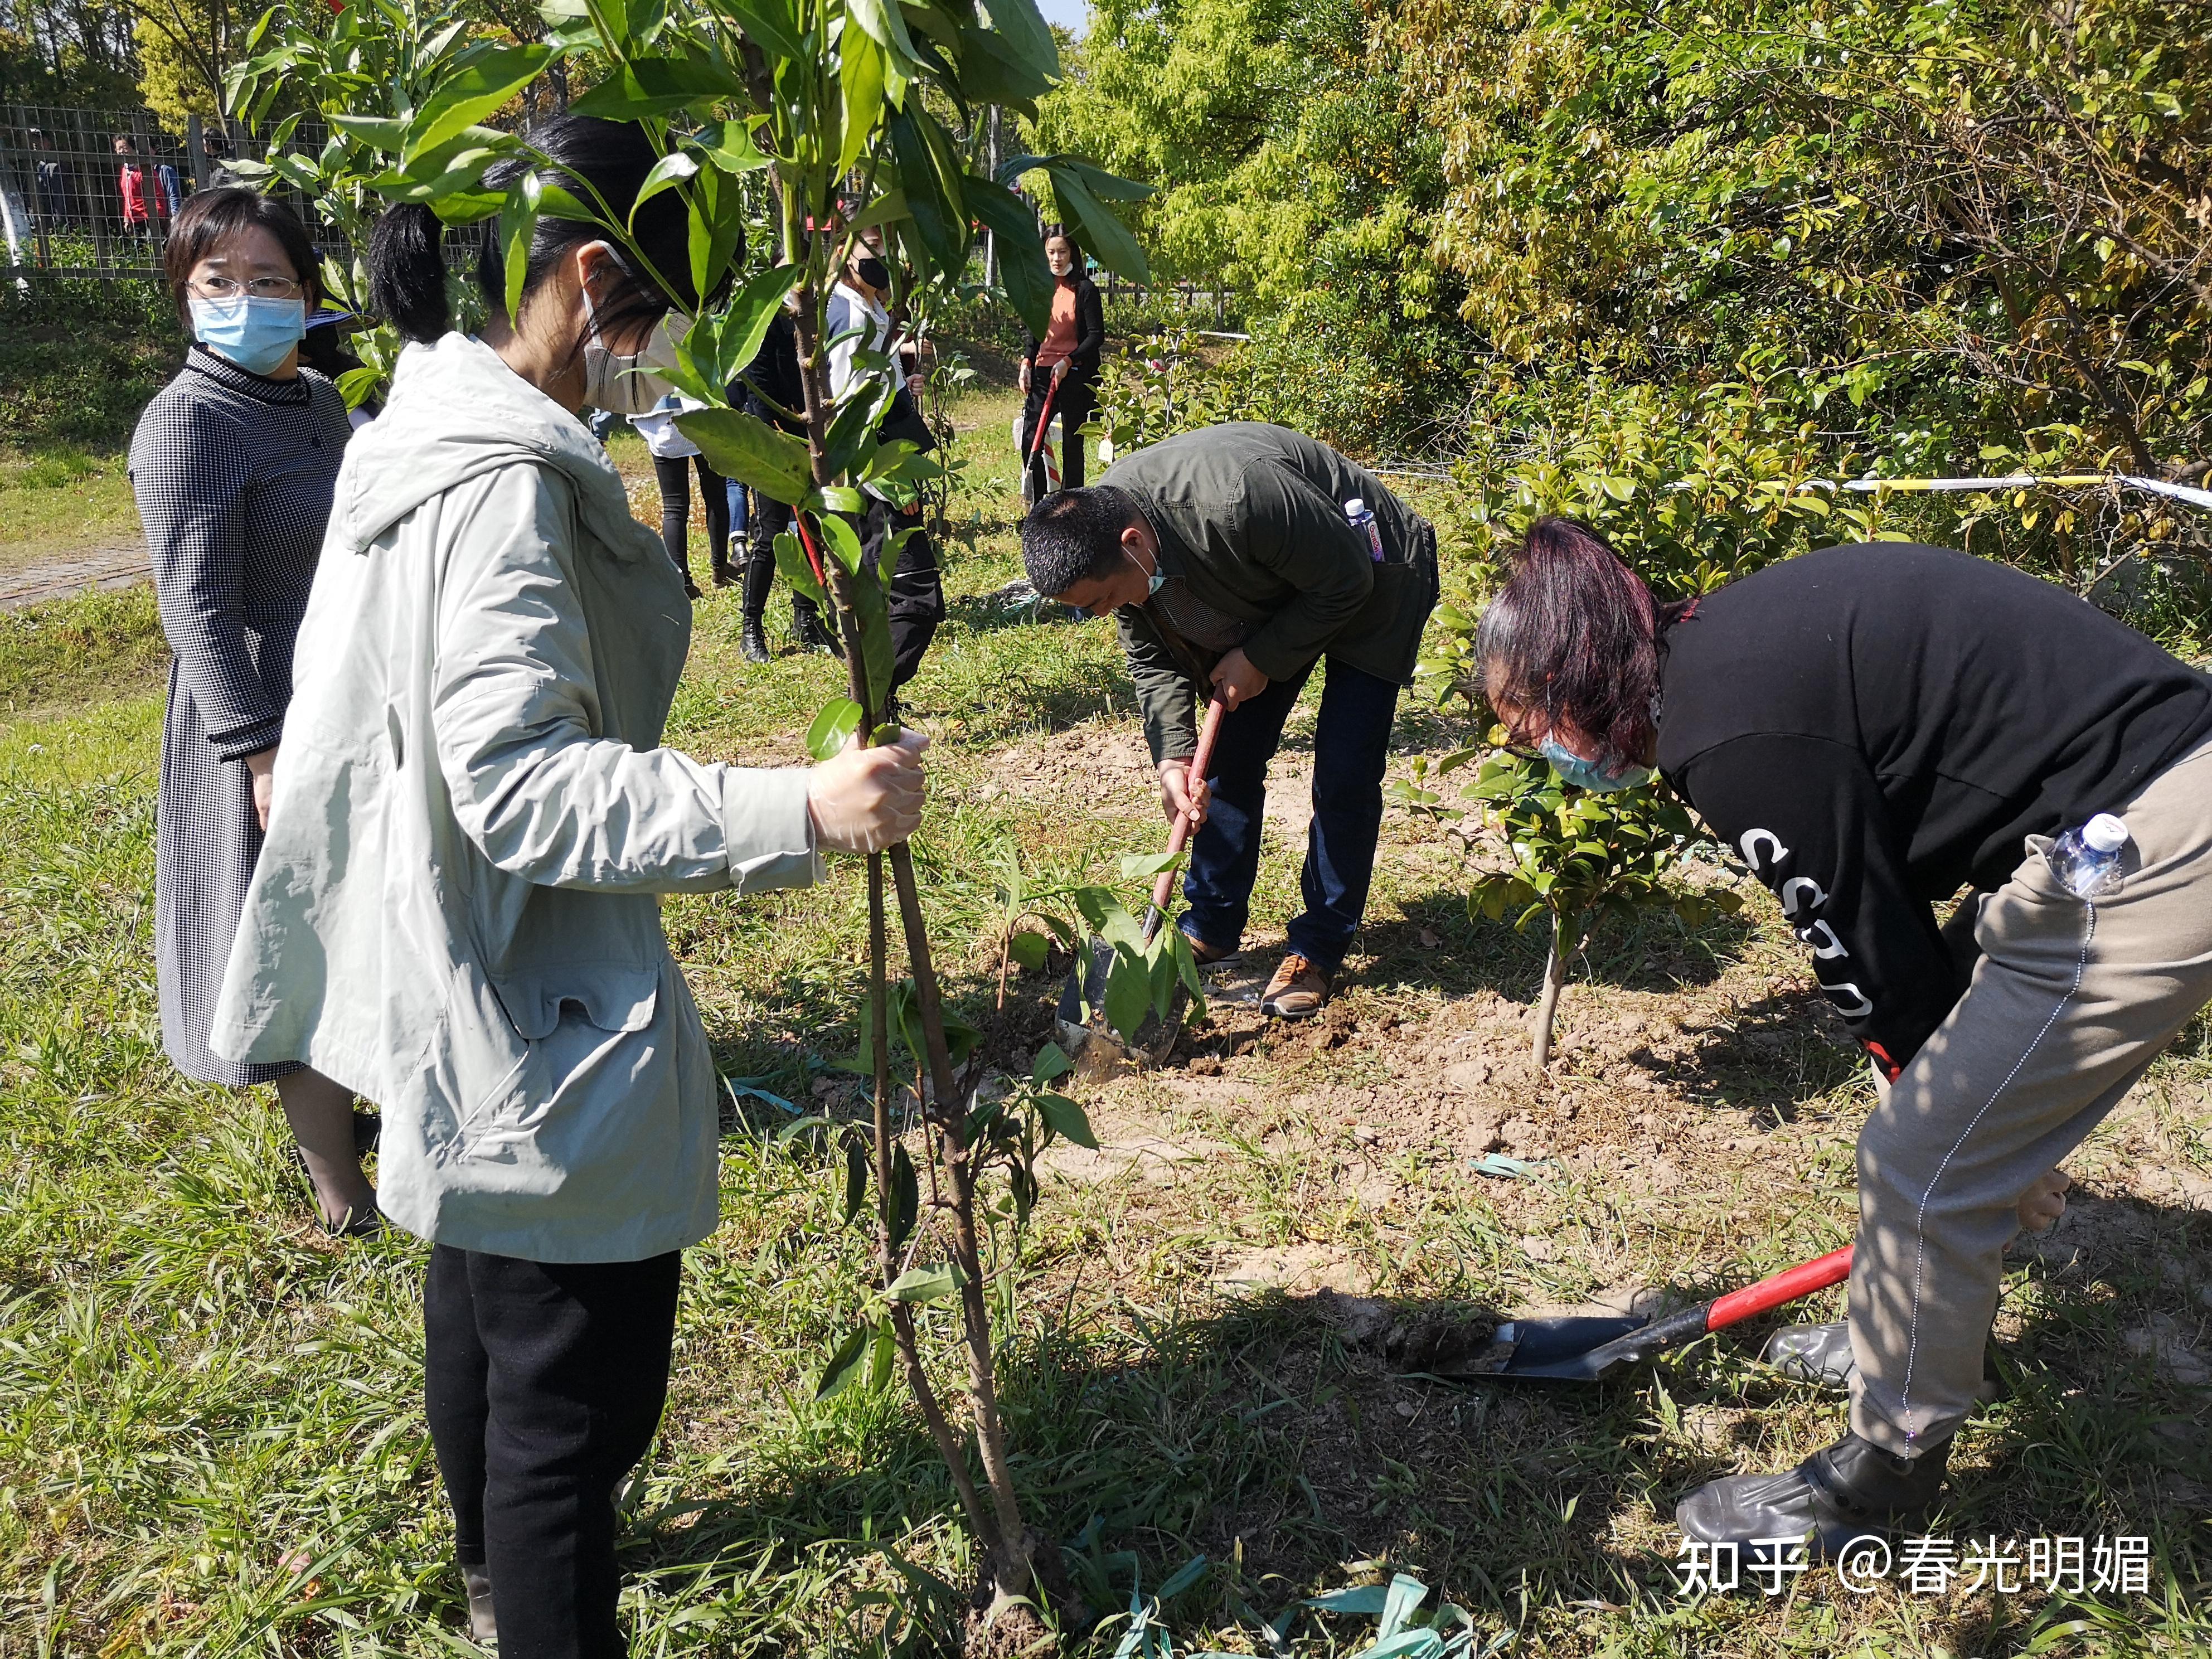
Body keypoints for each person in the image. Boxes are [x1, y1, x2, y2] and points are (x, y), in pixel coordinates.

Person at [206, 115, 929, 1656]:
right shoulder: (501, 488)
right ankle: (527, 1604)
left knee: (481, 1289)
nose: (665, 356)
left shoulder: (412, 437)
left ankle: (488, 1586)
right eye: (666, 315)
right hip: (531, 984)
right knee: (569, 1407)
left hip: (449, 960)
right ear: (595, 276)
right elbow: (522, 784)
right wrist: (797, 805)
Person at [1473, 519, 2212, 1556]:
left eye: (1523, 720)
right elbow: (1892, 923)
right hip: (2109, 810)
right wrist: (1975, 1116)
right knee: (1945, 1124)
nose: (1525, 748)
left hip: (2151, 837)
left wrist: (1975, 1140)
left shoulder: (1724, 737)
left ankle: (1885, 1471)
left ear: (1577, 672)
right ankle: (1918, 1339)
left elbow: (1863, 947)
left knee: (1920, 1162)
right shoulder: (1712, 655)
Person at [127, 186, 377, 1234]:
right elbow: (194, 604)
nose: (244, 301)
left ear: (307, 293)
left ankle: (363, 1108)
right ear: (185, 297)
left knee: (358, 920)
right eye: (217, 282)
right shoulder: (187, 420)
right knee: (293, 941)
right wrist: (258, 752)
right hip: (261, 710)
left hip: (344, 693)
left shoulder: (316, 403)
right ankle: (338, 1184)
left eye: (268, 281)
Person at [1020, 423, 1440, 1018]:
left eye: (1102, 601)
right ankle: (1210, 925)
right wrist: (1172, 758)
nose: (1105, 614)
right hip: (1273, 587)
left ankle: (1316, 948)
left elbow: (1348, 579)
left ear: (1135, 543)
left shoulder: (1236, 499)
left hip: (1372, 572)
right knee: (1224, 763)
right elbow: (1151, 654)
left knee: (1344, 771)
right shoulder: (1106, 539)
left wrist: (1263, 658)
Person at [825, 226, 944, 704]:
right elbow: (848, 408)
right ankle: (871, 698)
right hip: (876, 477)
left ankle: (878, 695)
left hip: (888, 465)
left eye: (885, 246)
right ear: (844, 253)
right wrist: (895, 483)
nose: (880, 257)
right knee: (914, 598)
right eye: (869, 246)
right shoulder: (844, 313)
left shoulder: (870, 308)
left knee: (893, 596)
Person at [735, 300, 839, 661]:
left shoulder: (814, 321)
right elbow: (757, 388)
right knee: (770, 534)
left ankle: (806, 620)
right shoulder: (764, 321)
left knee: (811, 532)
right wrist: (778, 440)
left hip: (810, 440)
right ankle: (751, 629)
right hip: (773, 443)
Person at [1018, 225, 1103, 505]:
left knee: (1072, 442)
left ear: (1072, 253)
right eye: (1051, 252)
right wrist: (1027, 362)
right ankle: (1040, 503)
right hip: (1044, 374)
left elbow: (1095, 336)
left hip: (1075, 373)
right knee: (1032, 438)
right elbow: (1034, 331)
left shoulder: (1085, 289)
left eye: (1062, 252)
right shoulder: (1039, 287)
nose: (1057, 258)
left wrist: (1069, 361)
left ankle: (1071, 504)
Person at [632, 389, 733, 596]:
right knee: (716, 498)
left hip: (658, 417)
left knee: (674, 507)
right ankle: (720, 569)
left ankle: (682, 582)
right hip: (699, 411)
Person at [114, 135, 150, 237]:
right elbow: (127, 197)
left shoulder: (144, 170)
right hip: (134, 220)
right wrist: (127, 218)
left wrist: (158, 219)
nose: (121, 152)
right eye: (119, 149)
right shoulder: (125, 171)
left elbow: (158, 195)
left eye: (125, 148)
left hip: (147, 219)